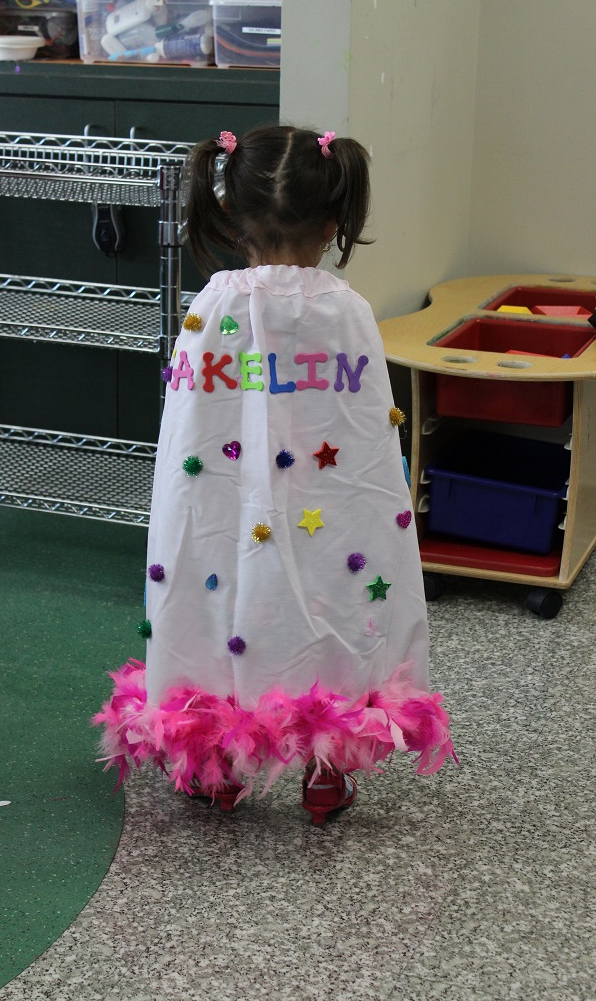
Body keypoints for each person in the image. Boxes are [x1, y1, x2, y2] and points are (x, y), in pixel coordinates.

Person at [93, 125, 456, 825]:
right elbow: (366, 440)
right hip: (332, 505)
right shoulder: (346, 310)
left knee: (216, 592)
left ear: (231, 214)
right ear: (332, 222)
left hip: (219, 504)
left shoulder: (210, 306)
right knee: (330, 597)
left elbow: (187, 431)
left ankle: (217, 765)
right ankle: (326, 771)